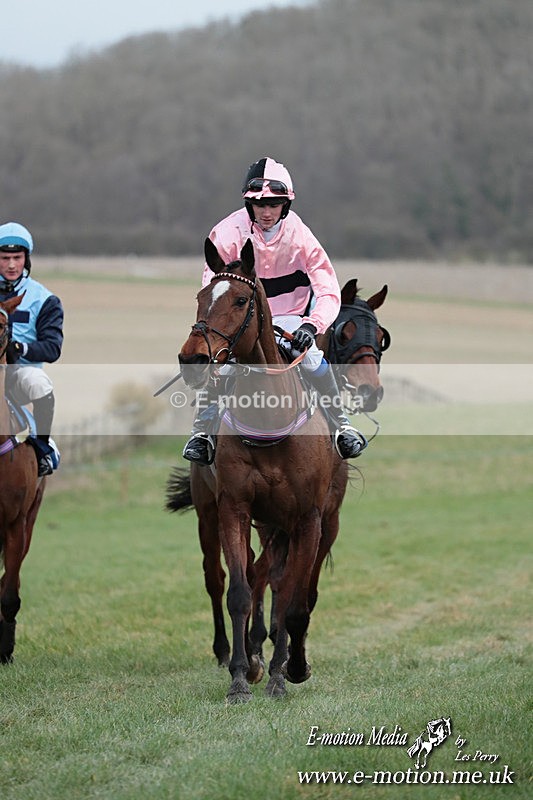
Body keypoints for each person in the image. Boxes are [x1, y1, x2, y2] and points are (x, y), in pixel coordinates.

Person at [182, 157, 368, 466]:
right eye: (259, 205)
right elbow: (213, 292)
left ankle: (341, 425)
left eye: (274, 204)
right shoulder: (226, 233)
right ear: (249, 204)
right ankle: (202, 433)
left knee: (312, 357)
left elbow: (328, 290)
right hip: (240, 321)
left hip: (290, 319)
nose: (266, 212)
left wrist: (312, 326)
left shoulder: (301, 237)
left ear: (285, 205)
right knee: (224, 365)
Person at [0, 221, 62, 476]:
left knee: (40, 383)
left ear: (26, 259)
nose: (12, 264)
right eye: (5, 258)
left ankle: (42, 447)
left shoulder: (45, 299)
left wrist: (20, 348)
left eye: (17, 257)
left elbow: (52, 348)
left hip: (20, 374)